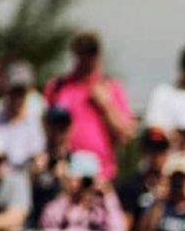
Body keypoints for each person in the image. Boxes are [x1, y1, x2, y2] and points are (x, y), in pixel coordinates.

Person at [43, 31, 135, 180]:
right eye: (83, 52)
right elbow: (44, 127)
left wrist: (106, 106)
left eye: (92, 52)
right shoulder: (57, 87)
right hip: (64, 172)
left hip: (101, 175)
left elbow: (127, 134)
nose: (88, 58)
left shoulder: (111, 87)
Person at [0, 61, 45, 172]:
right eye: (14, 92)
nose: (18, 98)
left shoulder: (34, 123)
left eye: (21, 92)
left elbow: (39, 156)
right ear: (6, 91)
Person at [117, 127, 171, 230]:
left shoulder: (176, 184)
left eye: (160, 150)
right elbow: (125, 227)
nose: (156, 156)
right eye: (151, 150)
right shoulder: (130, 186)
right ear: (143, 152)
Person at [29, 104, 74, 225]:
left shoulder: (76, 161)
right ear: (45, 126)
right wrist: (33, 175)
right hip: (36, 225)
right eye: (54, 125)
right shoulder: (34, 159)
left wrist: (65, 181)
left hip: (64, 228)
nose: (58, 131)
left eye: (62, 126)